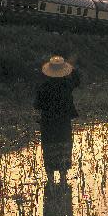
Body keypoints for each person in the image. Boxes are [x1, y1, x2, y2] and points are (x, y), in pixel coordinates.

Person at [34, 56, 80, 184]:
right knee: (63, 148)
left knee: (49, 149)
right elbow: (77, 81)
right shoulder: (66, 86)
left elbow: (36, 105)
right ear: (64, 70)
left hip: (48, 124)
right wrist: (72, 68)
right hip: (63, 124)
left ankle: (50, 180)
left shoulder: (43, 87)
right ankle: (63, 179)